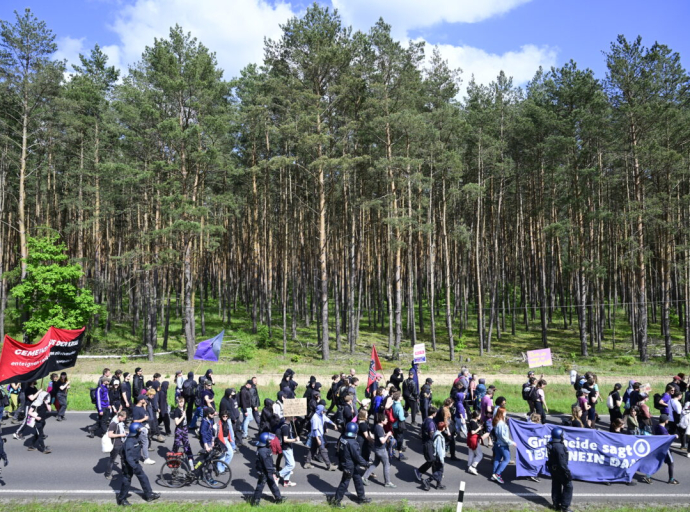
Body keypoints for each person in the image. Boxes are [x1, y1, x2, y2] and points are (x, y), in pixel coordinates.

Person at [116, 422, 160, 506]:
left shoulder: (136, 438)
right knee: (127, 481)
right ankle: (121, 499)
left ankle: (149, 495)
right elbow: (128, 457)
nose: (141, 430)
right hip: (128, 464)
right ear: (136, 431)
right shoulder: (129, 442)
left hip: (135, 463)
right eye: (139, 429)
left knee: (143, 477)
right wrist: (134, 467)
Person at [329, 422, 371, 508]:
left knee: (358, 479)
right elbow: (357, 457)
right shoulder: (352, 443)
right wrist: (366, 464)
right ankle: (336, 502)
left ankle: (361, 498)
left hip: (347, 463)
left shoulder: (342, 438)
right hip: (349, 465)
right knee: (344, 483)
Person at [643, 414, 678, 485]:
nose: (668, 420)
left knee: (655, 462)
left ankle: (648, 476)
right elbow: (667, 438)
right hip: (665, 448)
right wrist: (675, 436)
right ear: (665, 421)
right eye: (667, 419)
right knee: (671, 463)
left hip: (658, 447)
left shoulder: (657, 426)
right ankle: (671, 479)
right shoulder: (663, 429)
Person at [251, 432, 284, 506]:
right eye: (269, 440)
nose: (270, 441)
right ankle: (255, 502)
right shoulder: (263, 451)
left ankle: (278, 498)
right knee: (260, 486)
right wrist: (274, 471)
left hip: (267, 470)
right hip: (264, 471)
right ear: (264, 441)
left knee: (272, 484)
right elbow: (267, 464)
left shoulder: (265, 448)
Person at [363, 413, 394, 487]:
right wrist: (388, 435)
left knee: (375, 463)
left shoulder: (377, 426)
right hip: (381, 450)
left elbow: (376, 435)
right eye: (386, 420)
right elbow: (382, 441)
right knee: (386, 465)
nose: (387, 421)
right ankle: (387, 482)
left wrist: (385, 434)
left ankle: (364, 477)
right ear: (382, 420)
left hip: (377, 448)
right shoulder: (380, 428)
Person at [547, 427, 573, 512]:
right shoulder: (559, 447)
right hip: (560, 469)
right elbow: (562, 462)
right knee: (568, 486)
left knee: (556, 485)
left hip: (553, 468)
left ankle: (556, 504)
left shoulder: (551, 443)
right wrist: (567, 472)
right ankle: (565, 507)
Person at [305, 404, 336, 470]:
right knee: (323, 450)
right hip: (317, 436)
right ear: (319, 411)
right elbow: (315, 429)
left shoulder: (321, 415)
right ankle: (329, 465)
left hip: (317, 436)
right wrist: (318, 439)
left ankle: (307, 463)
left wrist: (334, 424)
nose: (324, 412)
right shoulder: (315, 418)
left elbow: (327, 419)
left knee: (312, 449)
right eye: (323, 411)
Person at [491, 407, 515, 484]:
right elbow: (503, 436)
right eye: (504, 412)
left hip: (497, 444)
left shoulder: (497, 421)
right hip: (502, 445)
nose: (506, 413)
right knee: (507, 459)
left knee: (497, 459)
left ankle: (494, 474)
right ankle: (498, 474)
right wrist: (511, 442)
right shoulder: (501, 424)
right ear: (501, 413)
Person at [421, 421, 447, 491]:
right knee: (439, 471)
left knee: (437, 470)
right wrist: (442, 460)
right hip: (438, 457)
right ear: (443, 428)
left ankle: (438, 484)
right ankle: (428, 480)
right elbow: (439, 450)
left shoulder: (436, 433)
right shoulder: (439, 436)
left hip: (435, 456)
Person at [171, 396, 194, 466]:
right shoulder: (176, 411)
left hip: (185, 429)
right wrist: (183, 416)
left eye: (183, 402)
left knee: (186, 444)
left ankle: (191, 460)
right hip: (179, 429)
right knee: (176, 445)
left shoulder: (183, 409)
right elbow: (177, 422)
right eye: (180, 402)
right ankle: (172, 459)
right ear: (178, 402)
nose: (181, 404)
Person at [105, 410, 128, 480]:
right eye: (123, 418)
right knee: (112, 460)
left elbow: (120, 430)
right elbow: (110, 434)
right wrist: (121, 435)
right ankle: (108, 474)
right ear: (120, 417)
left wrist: (126, 432)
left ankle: (124, 472)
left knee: (123, 458)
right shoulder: (113, 424)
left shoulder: (120, 423)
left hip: (121, 443)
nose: (124, 419)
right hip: (115, 445)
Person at [278, 415, 299, 486]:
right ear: (287, 417)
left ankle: (286, 481)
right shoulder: (285, 427)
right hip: (286, 448)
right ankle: (277, 475)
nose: (294, 417)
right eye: (292, 416)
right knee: (291, 464)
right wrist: (295, 440)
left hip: (289, 447)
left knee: (287, 464)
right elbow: (285, 440)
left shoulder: (289, 424)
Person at [466, 410, 483, 475]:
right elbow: (472, 432)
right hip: (474, 440)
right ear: (476, 416)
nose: (480, 416)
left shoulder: (471, 421)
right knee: (480, 455)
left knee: (471, 453)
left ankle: (469, 466)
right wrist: (479, 428)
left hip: (470, 439)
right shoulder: (473, 422)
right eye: (480, 415)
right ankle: (473, 466)